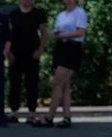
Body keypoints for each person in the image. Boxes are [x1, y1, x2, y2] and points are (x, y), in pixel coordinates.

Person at [33, 0, 87, 128]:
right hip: (61, 48)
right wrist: (57, 34)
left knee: (57, 83)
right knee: (65, 86)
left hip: (72, 48)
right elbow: (56, 32)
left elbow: (80, 32)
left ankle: (49, 117)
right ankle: (66, 117)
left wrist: (63, 34)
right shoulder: (61, 15)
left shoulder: (79, 13)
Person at [7, 0, 48, 124]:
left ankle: (31, 112)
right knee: (15, 83)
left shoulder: (39, 14)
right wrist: (8, 53)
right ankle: (14, 112)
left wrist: (40, 51)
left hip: (32, 55)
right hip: (15, 55)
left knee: (32, 83)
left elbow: (44, 34)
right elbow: (8, 35)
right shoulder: (13, 14)